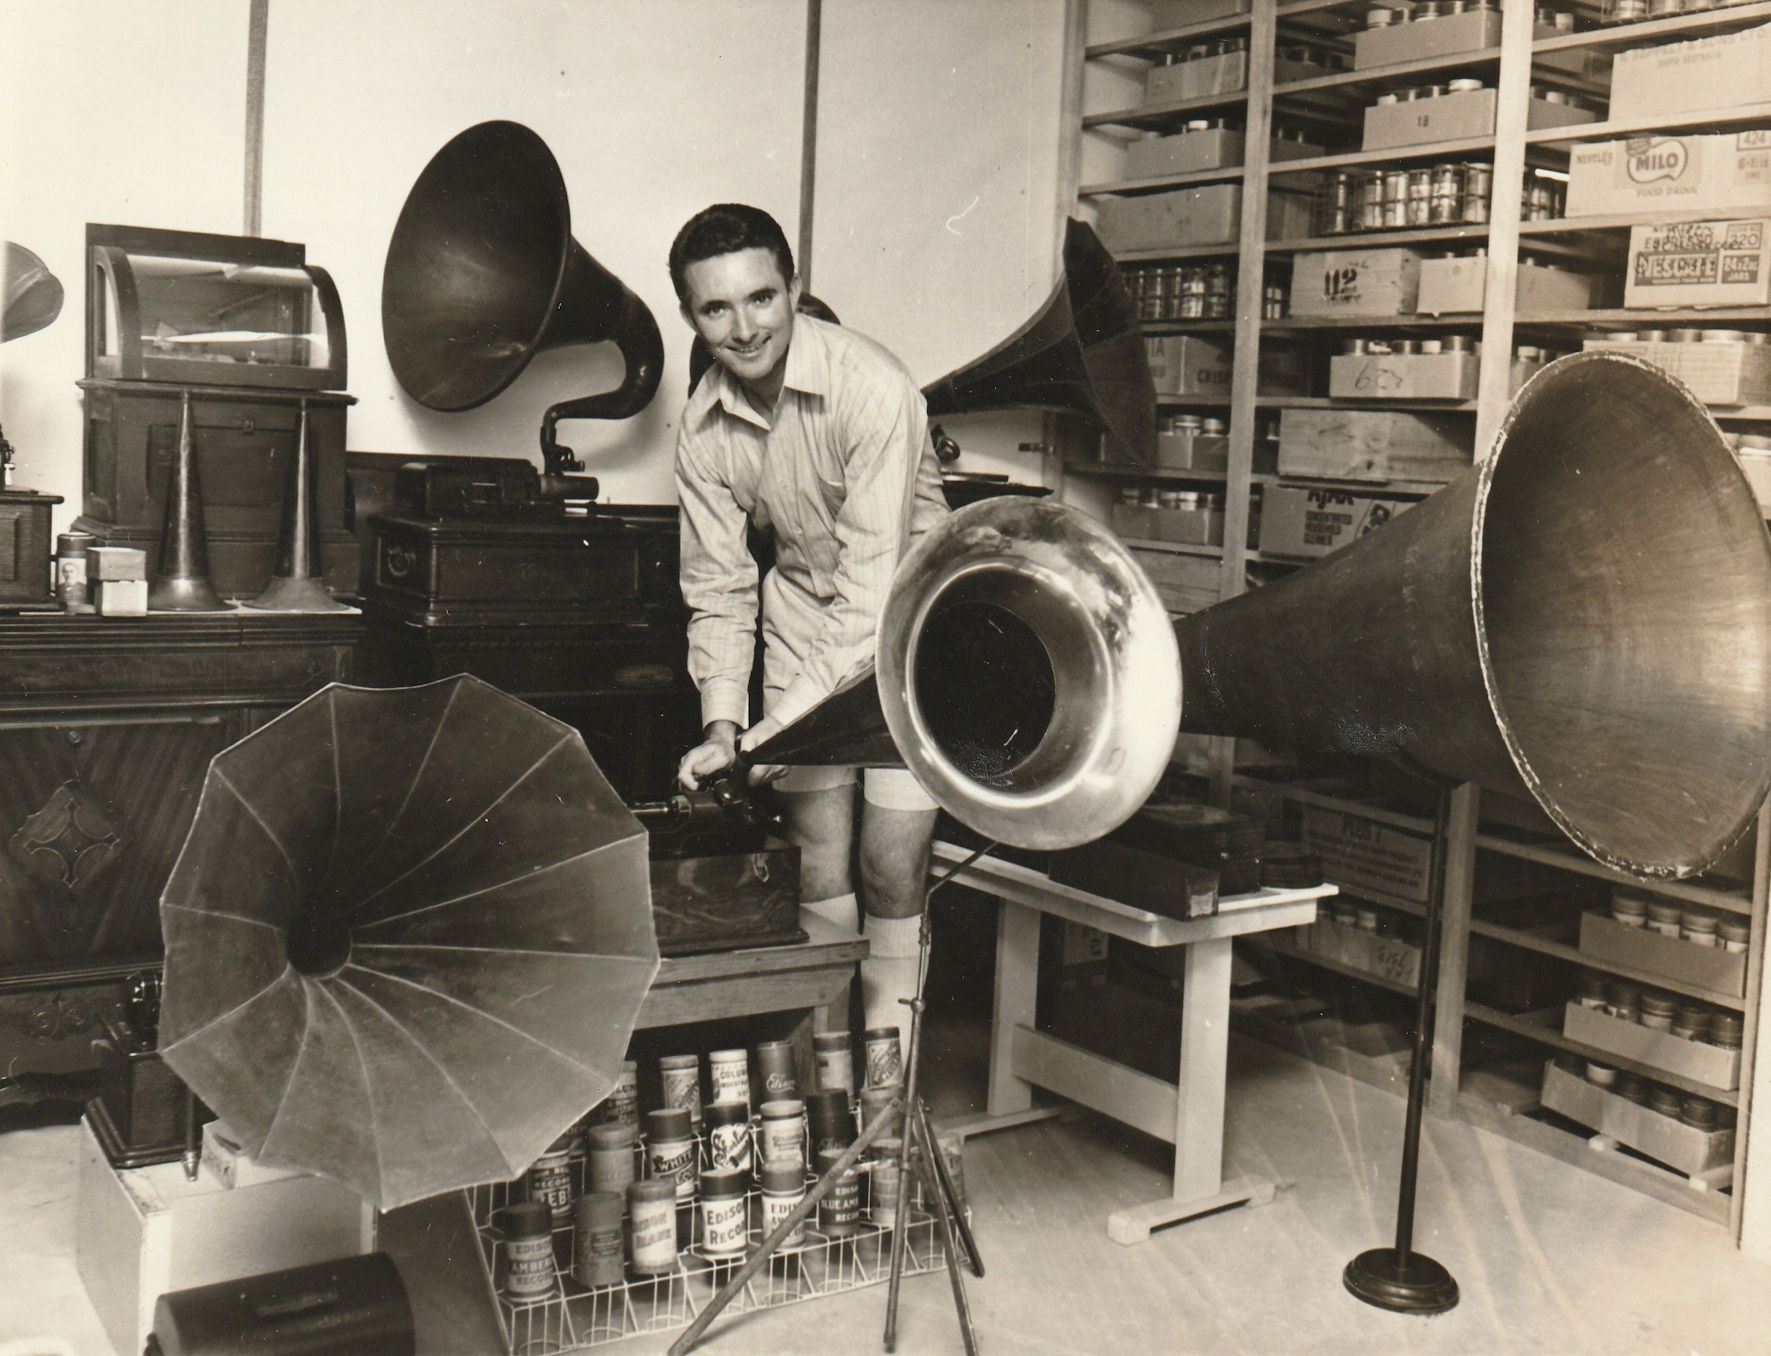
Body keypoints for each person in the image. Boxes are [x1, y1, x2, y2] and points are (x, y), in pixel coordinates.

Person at [668, 203, 949, 1053]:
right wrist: (723, 725)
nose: (743, 327)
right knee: (818, 868)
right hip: (803, 627)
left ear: (795, 290)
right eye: (715, 309)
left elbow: (871, 595)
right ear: (690, 316)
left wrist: (764, 740)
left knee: (889, 870)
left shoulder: (875, 388)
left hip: (913, 630)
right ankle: (827, 1087)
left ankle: (884, 1091)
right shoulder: (700, 427)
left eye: (761, 298)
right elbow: (718, 586)